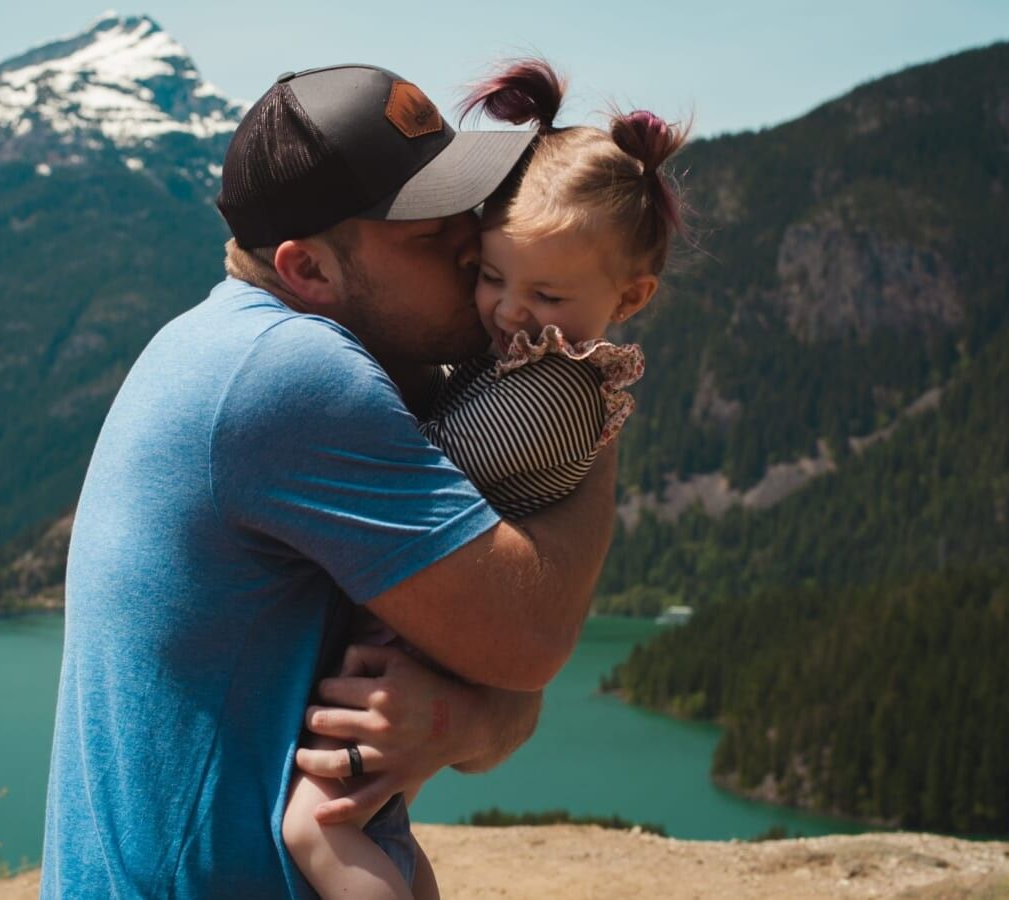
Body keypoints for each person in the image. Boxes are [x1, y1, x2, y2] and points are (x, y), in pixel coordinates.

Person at [40, 63, 620, 899]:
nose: (472, 244)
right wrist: (587, 386)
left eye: (465, 207)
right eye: (426, 231)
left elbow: (498, 682)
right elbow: (528, 640)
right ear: (307, 269)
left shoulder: (220, 341)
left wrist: (460, 719)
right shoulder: (292, 376)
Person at [280, 58, 690, 900]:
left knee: (317, 824)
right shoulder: (534, 357)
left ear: (633, 295)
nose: (506, 311)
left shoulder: (553, 391)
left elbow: (428, 461)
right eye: (489, 276)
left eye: (542, 292)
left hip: (427, 635)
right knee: (375, 821)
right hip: (441, 626)